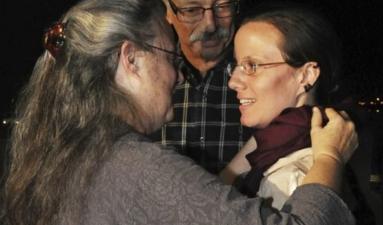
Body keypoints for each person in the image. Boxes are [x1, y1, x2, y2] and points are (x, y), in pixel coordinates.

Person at [2, 0, 358, 224]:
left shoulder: (64, 151)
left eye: (252, 66)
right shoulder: (135, 166)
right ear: (131, 60)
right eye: (171, 56)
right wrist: (329, 156)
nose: (177, 72)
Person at [220, 3, 350, 209]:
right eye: (236, 65)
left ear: (306, 76)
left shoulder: (291, 180)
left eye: (252, 66)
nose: (233, 82)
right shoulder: (275, 145)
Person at [150, 0, 253, 174]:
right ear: (168, 11)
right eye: (192, 10)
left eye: (222, 6)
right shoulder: (147, 77)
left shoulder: (261, 77)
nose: (210, 25)